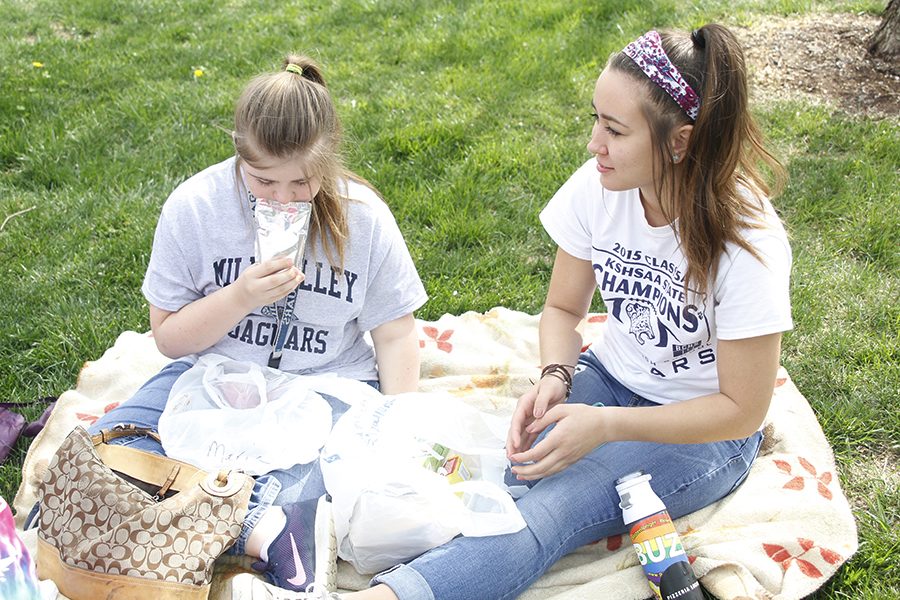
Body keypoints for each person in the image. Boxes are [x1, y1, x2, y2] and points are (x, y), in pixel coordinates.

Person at [233, 22, 793, 600]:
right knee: (479, 476)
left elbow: (741, 410)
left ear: (680, 141)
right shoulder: (599, 186)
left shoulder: (747, 242)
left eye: (615, 130)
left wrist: (604, 427)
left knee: (547, 513)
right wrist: (556, 376)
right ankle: (289, 537)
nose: (593, 143)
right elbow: (561, 307)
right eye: (595, 118)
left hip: (703, 432)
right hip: (610, 379)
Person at [62, 54, 427, 595]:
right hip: (211, 373)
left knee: (317, 492)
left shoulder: (363, 217)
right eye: (263, 181)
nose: (282, 198)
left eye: (301, 183)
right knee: (89, 469)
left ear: (327, 163)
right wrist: (238, 298)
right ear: (238, 153)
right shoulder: (196, 207)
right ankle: (256, 531)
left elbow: (395, 335)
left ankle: (248, 522)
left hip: (325, 385)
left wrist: (398, 425)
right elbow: (167, 337)